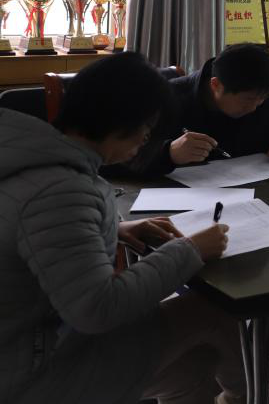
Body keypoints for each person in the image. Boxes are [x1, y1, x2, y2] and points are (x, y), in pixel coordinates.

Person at [0, 53, 241, 404]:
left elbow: (29, 235)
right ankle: (253, 394)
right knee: (213, 311)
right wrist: (189, 250)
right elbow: (98, 309)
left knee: (194, 365)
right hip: (32, 376)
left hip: (29, 346)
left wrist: (115, 228)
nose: (146, 140)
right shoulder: (61, 191)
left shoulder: (29, 158)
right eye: (147, 129)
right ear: (121, 121)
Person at [106, 42, 269, 177]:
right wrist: (169, 153)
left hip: (256, 195)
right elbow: (110, 160)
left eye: (261, 99)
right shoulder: (166, 99)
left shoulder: (266, 93)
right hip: (183, 206)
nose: (255, 107)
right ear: (215, 85)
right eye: (248, 100)